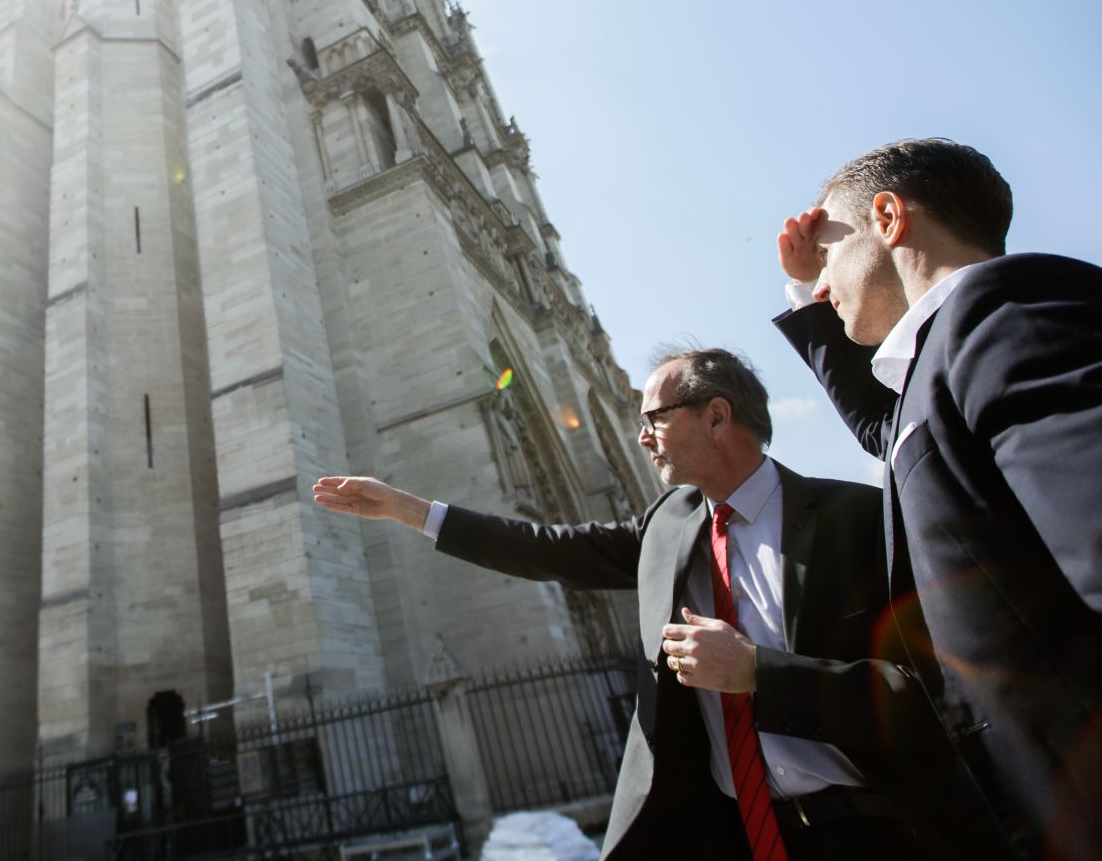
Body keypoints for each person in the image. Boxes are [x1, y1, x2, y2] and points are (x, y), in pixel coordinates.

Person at [314, 347, 1011, 861]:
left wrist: (761, 673)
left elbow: (943, 697)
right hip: (723, 834)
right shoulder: (668, 524)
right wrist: (409, 510)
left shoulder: (862, 517)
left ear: (716, 415)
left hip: (873, 833)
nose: (642, 435)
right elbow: (548, 547)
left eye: (654, 416)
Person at [774, 137, 1102, 859]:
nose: (823, 280)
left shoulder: (1007, 315)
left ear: (888, 216)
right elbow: (888, 429)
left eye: (827, 253)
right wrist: (806, 290)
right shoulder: (951, 355)